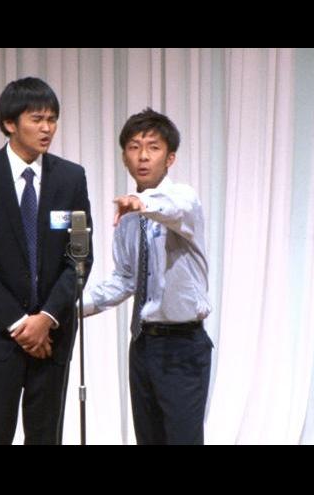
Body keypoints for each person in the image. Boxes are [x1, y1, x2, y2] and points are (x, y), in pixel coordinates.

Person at [0, 77, 93, 444]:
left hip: (53, 335)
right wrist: (20, 324)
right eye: (37, 119)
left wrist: (46, 318)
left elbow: (80, 256)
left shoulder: (70, 177)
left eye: (52, 119)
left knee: (46, 436)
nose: (47, 128)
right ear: (9, 123)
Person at [82, 108, 213, 445]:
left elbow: (172, 208)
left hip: (182, 346)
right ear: (124, 156)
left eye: (153, 147)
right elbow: (125, 279)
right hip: (142, 344)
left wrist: (142, 203)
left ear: (170, 158)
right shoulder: (127, 217)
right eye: (134, 147)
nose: (142, 156)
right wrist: (68, 307)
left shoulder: (183, 199)